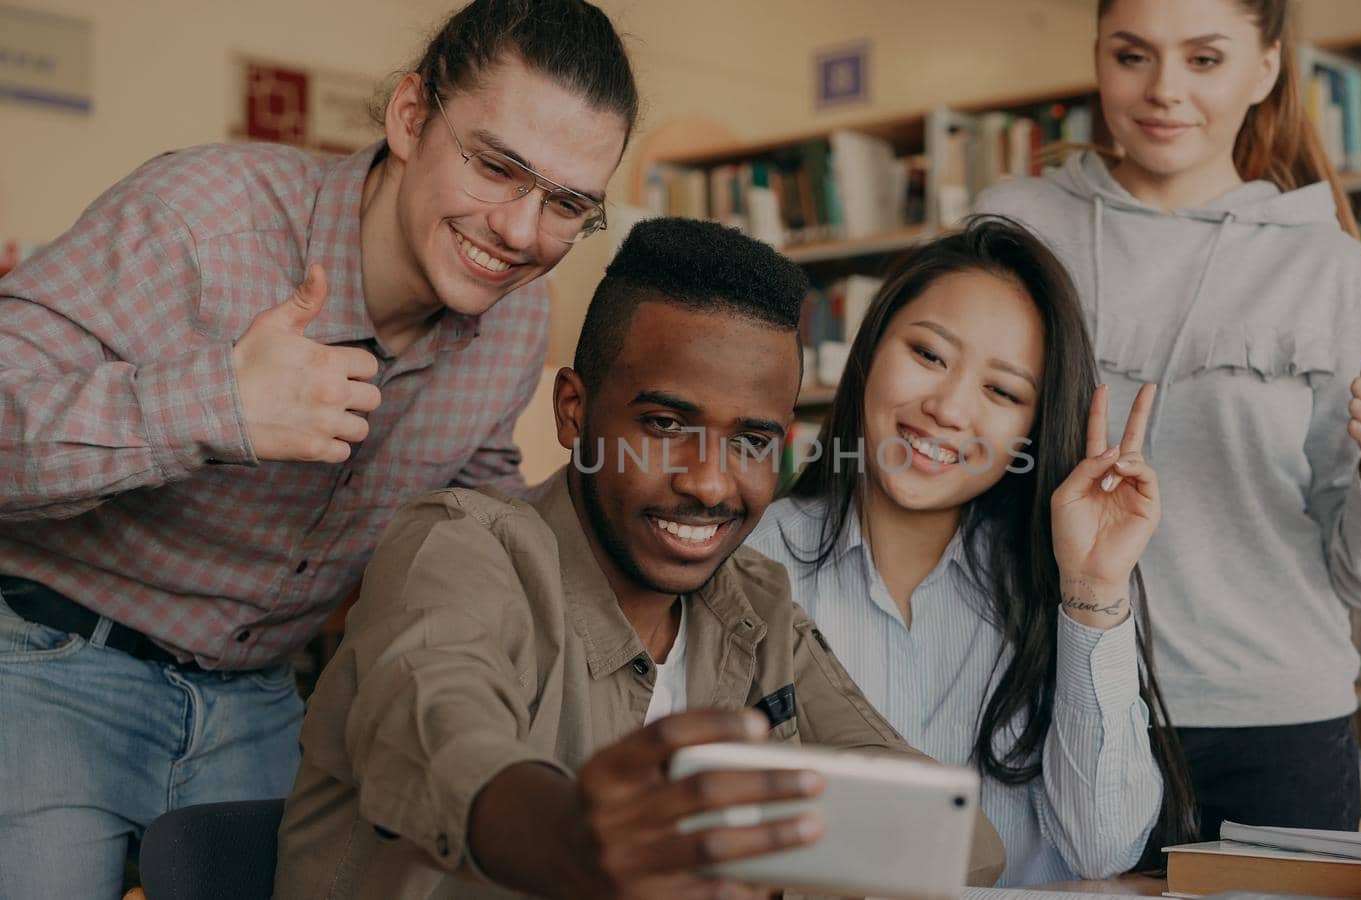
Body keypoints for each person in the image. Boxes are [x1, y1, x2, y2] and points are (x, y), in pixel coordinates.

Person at [0, 1, 635, 895]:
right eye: (497, 167)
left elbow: (471, 510)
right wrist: (216, 402)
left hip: (261, 697)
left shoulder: (516, 321)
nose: (524, 234)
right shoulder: (205, 219)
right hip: (54, 661)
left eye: (568, 204)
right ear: (410, 118)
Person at [273, 217, 1007, 899]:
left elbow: (957, 834)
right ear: (573, 411)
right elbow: (439, 731)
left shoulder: (755, 600)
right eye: (663, 424)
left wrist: (753, 861)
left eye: (751, 441)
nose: (711, 482)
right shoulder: (461, 545)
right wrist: (574, 836)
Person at [976, 0, 1361, 840]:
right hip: (1044, 695)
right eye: (1132, 56)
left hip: (1272, 724)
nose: (1164, 91)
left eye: (1203, 59)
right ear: (1096, 58)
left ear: (1265, 69)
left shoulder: (1328, 267)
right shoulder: (1016, 222)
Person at [746, 216, 1195, 885]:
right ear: (871, 348)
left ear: (1031, 431)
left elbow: (1106, 849)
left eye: (1003, 391)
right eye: (929, 355)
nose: (950, 408)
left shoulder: (1050, 582)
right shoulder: (752, 559)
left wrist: (1094, 589)